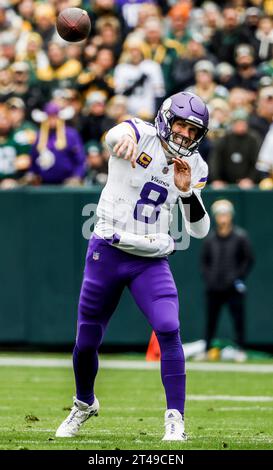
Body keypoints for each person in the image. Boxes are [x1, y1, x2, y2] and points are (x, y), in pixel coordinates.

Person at [55, 91, 210, 441]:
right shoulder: (139, 134)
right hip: (107, 251)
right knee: (87, 340)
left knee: (169, 328)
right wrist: (120, 136)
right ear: (166, 120)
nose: (185, 135)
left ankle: (175, 418)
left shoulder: (196, 166)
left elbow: (199, 230)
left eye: (192, 131)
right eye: (181, 126)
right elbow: (113, 134)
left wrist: (186, 193)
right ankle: (84, 403)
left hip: (151, 258)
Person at [201, 200, 254, 359]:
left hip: (233, 288)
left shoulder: (241, 237)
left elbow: (248, 259)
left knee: (238, 320)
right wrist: (210, 278)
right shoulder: (209, 239)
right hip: (214, 288)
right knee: (210, 321)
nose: (223, 218)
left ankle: (240, 350)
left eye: (225, 214)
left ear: (231, 216)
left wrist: (237, 277)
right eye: (219, 214)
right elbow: (204, 262)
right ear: (215, 217)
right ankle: (207, 350)